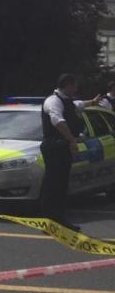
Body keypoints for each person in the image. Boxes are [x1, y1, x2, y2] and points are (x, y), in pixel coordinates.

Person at [40, 74, 99, 231]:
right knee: (53, 184)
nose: (76, 88)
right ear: (67, 85)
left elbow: (78, 105)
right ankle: (49, 221)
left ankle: (59, 219)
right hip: (54, 146)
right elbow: (57, 121)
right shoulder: (53, 101)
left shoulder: (66, 101)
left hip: (62, 147)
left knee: (61, 184)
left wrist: (92, 102)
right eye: (74, 85)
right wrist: (72, 140)